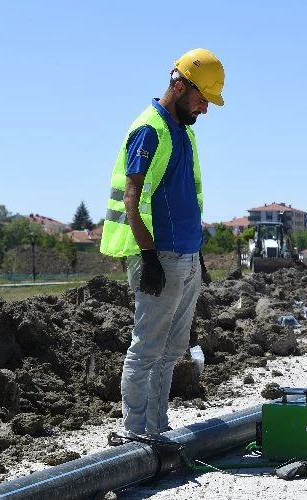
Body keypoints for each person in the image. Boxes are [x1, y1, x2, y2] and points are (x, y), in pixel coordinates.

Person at [100, 48, 225, 437]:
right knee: (146, 351)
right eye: (201, 99)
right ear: (179, 84)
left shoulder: (183, 131)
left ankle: (157, 428)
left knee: (171, 353)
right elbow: (131, 200)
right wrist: (149, 257)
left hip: (186, 254)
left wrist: (198, 251)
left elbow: (186, 195)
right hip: (162, 256)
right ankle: (135, 435)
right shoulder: (149, 129)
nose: (204, 109)